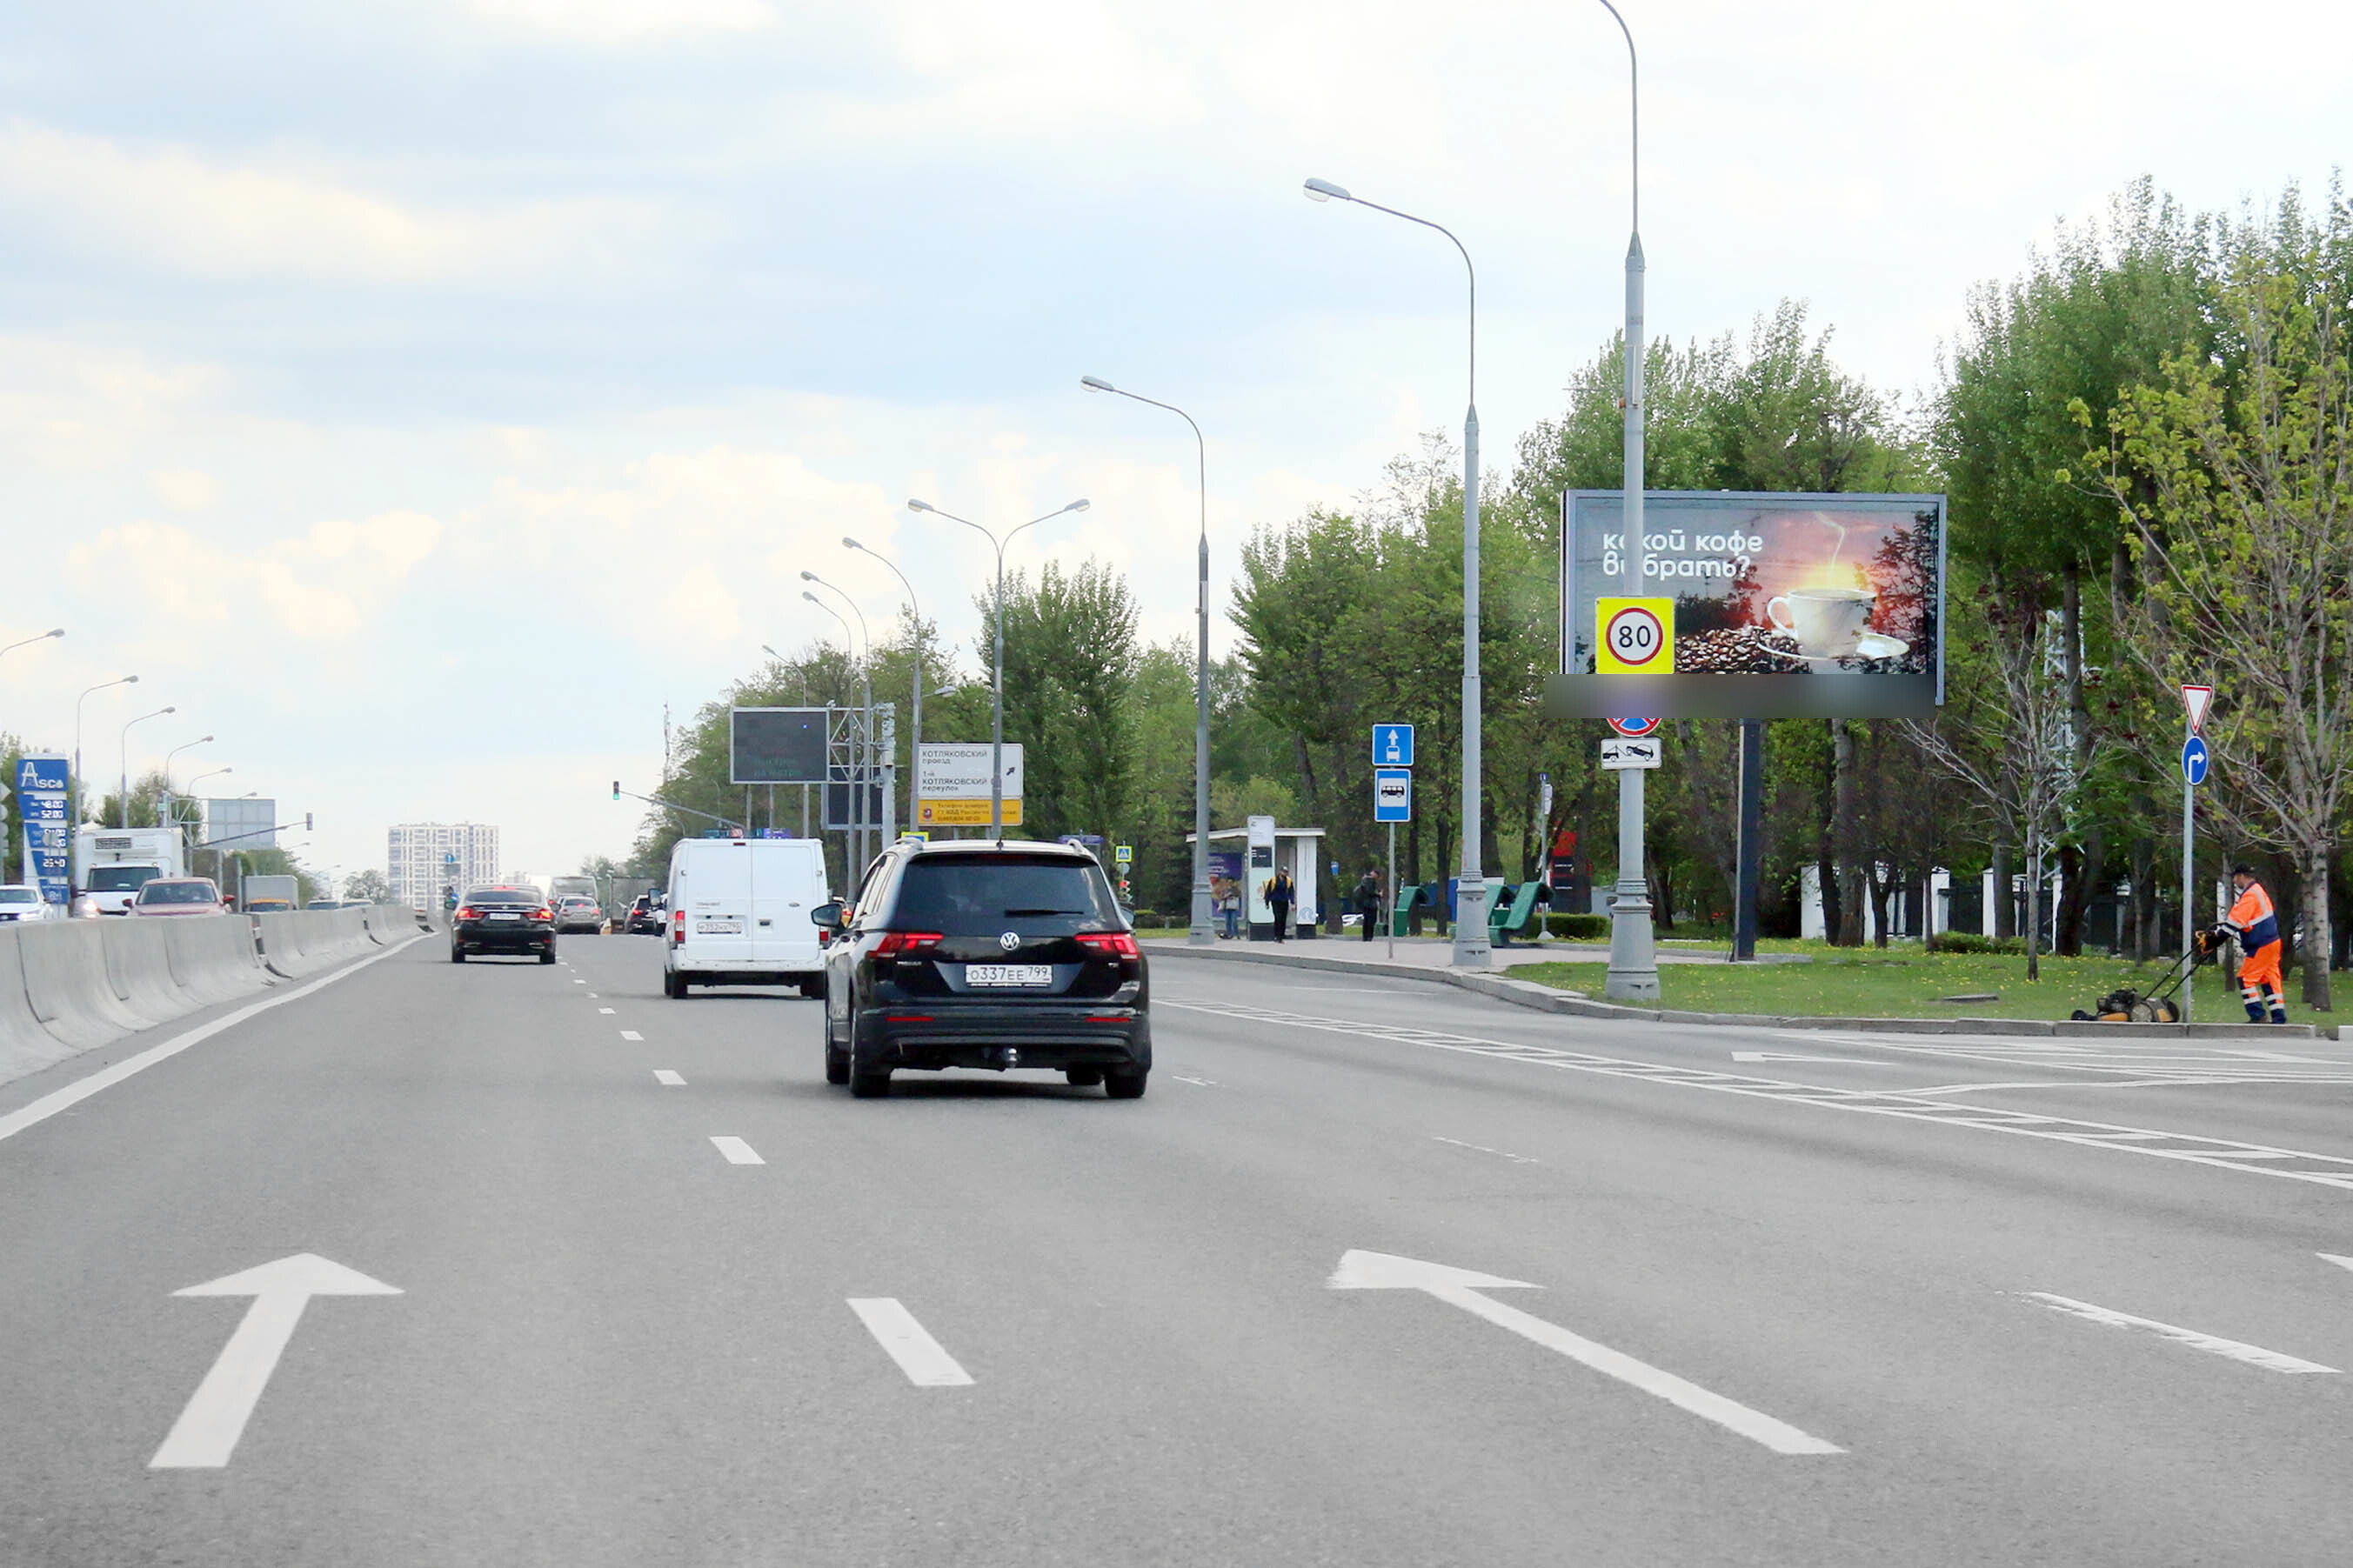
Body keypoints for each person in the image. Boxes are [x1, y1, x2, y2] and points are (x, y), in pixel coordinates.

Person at [2216, 862, 2289, 1024]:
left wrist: (2215, 939)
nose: (2234, 881)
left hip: (2261, 944)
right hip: (2271, 942)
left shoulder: (2250, 895)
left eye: (2235, 878)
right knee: (2270, 979)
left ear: (2241, 876)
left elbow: (2236, 921)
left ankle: (2258, 1015)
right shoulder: (2258, 891)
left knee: (2245, 979)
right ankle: (2279, 1018)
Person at [1264, 869, 1294, 942]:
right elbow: (1268, 891)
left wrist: (1292, 902)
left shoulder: (1288, 880)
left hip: (1284, 901)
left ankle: (1281, 935)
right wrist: (1267, 902)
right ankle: (1277, 935)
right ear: (1280, 872)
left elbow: (1291, 892)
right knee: (1278, 918)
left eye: (1286, 872)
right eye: (1283, 871)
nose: (1285, 873)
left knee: (1283, 919)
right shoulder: (1274, 880)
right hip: (1276, 901)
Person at [1353, 868, 1381, 942]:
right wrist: (1378, 895)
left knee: (1366, 920)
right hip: (1370, 904)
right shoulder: (1370, 881)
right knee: (1371, 921)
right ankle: (1369, 936)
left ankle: (1365, 936)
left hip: (1365, 904)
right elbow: (1370, 892)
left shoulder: (1364, 880)